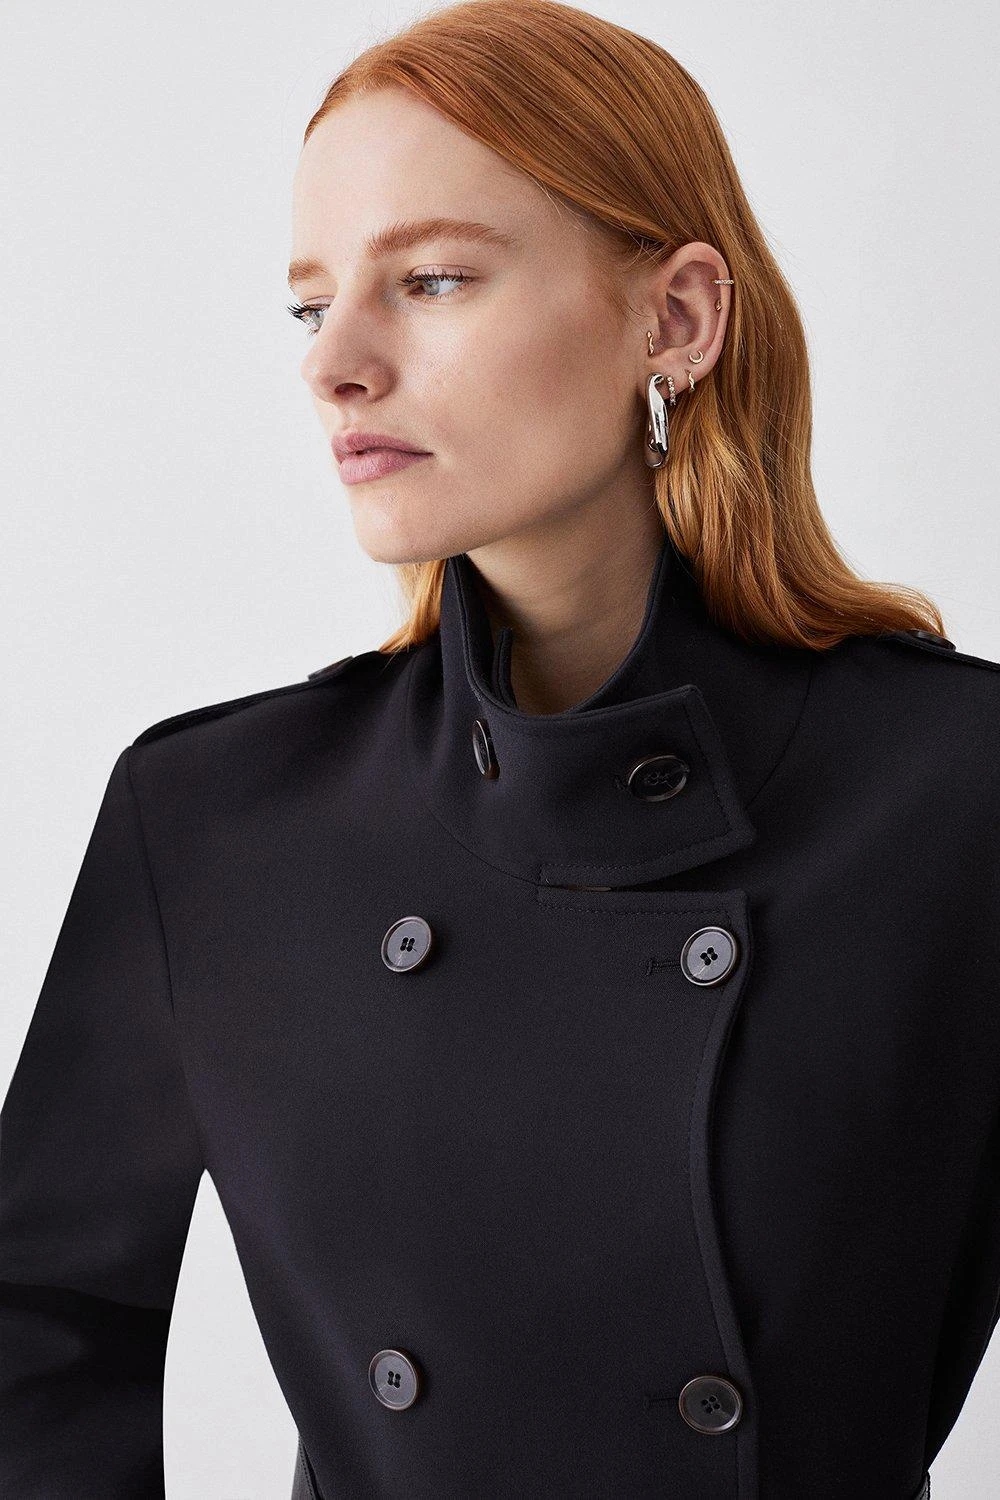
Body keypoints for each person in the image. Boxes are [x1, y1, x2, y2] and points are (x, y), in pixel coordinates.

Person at [2, 1, 997, 1496]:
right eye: (310, 305)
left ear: (676, 320)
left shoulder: (956, 788)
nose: (336, 365)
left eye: (433, 279)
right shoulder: (210, 819)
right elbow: (38, 1326)